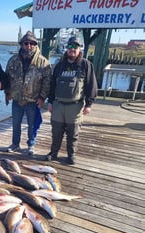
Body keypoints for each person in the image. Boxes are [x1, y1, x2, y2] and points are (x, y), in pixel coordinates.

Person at [46, 36, 97, 165]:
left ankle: (71, 155)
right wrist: (50, 102)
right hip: (58, 105)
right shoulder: (59, 66)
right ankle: (53, 153)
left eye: (75, 47)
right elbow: (52, 86)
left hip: (75, 106)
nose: (72, 49)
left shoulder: (86, 65)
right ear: (66, 48)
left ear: (80, 49)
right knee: (56, 132)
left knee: (73, 133)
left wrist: (89, 104)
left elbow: (91, 85)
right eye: (70, 47)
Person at [5, 31, 51, 155]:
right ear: (22, 45)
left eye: (32, 43)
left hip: (33, 100)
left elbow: (47, 82)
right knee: (16, 124)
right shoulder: (13, 60)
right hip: (17, 99)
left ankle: (31, 145)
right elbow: (7, 78)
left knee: (32, 125)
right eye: (26, 43)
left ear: (36, 45)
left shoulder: (43, 62)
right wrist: (7, 92)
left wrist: (42, 97)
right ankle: (15, 144)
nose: (28, 46)